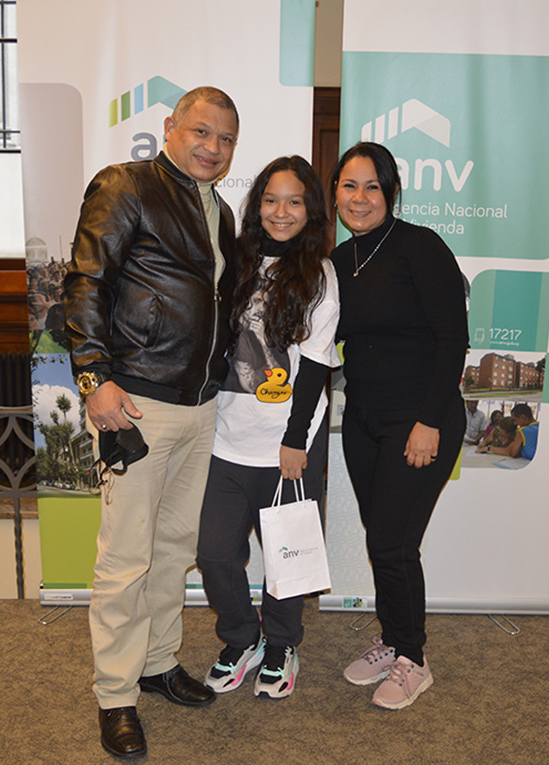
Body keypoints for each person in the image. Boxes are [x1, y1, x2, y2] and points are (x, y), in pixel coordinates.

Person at [62, 86, 240, 760]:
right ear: (170, 127)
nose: (212, 147)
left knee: (172, 547)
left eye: (225, 139)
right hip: (133, 401)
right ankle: (115, 694)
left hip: (200, 406)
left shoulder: (221, 213)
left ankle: (159, 661)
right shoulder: (125, 185)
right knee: (125, 556)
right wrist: (93, 378)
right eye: (201, 132)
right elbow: (85, 282)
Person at [329, 142, 469, 710]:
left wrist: (428, 421)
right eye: (348, 186)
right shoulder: (341, 260)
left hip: (420, 421)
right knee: (386, 539)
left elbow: (452, 340)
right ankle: (391, 639)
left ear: (391, 193)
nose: (359, 199)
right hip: (363, 420)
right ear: (335, 193)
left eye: (371, 187)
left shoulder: (420, 248)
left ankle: (413, 656)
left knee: (391, 540)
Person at [195, 156, 340, 701]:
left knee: (286, 554)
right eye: (271, 200)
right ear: (257, 206)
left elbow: (319, 365)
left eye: (295, 201)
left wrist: (295, 440)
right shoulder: (235, 264)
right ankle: (241, 638)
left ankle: (280, 643)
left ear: (311, 211)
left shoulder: (319, 276)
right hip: (225, 436)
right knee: (213, 552)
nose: (281, 212)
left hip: (287, 440)